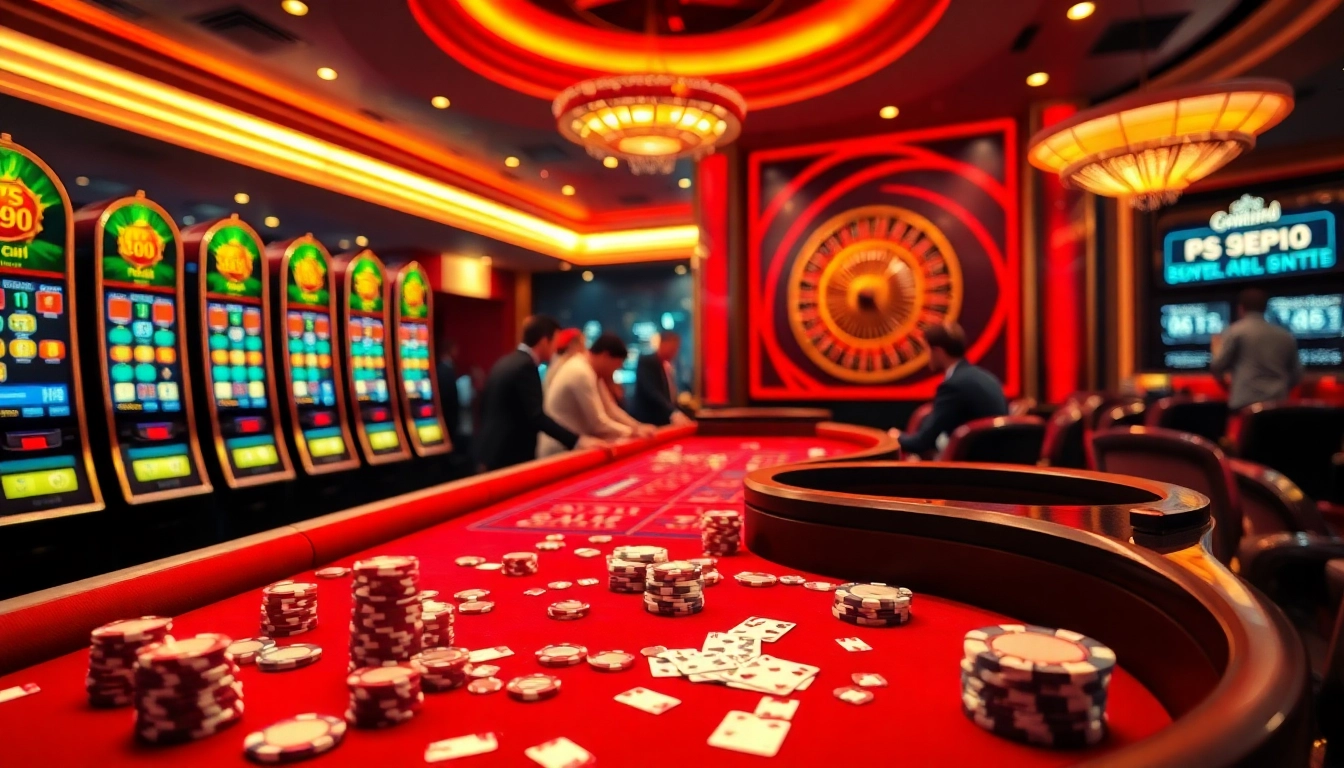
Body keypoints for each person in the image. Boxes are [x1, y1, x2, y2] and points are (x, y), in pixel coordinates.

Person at [476, 316, 606, 471]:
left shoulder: (507, 361)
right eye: (555, 342)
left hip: (489, 452)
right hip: (508, 456)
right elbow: (536, 416)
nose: (556, 349)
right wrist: (577, 441)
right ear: (544, 341)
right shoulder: (526, 366)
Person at [887, 322, 1007, 456]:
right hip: (998, 458)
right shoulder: (986, 377)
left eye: (927, 350)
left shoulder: (953, 386)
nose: (927, 357)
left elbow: (921, 443)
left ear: (938, 351)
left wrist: (895, 437)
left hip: (973, 463)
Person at [539, 333, 656, 457]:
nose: (613, 372)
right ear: (605, 356)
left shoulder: (590, 369)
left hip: (572, 446)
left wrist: (637, 427)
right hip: (559, 450)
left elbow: (611, 409)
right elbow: (597, 424)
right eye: (615, 367)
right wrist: (632, 432)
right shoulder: (581, 372)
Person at [1210, 288, 1302, 410]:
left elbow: (1218, 366)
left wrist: (1216, 351)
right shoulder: (1285, 336)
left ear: (1241, 308)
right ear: (1265, 308)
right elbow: (1296, 375)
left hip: (1244, 405)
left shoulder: (1234, 332)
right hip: (1277, 406)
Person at [632, 331, 692, 426]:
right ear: (662, 344)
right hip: (648, 420)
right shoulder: (647, 361)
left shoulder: (666, 366)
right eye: (673, 348)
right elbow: (652, 392)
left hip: (664, 421)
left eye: (676, 349)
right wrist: (673, 412)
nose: (675, 353)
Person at [435, 339, 462, 447]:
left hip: (448, 415)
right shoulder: (444, 369)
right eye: (455, 349)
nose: (457, 351)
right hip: (447, 416)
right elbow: (447, 395)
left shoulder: (445, 368)